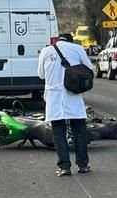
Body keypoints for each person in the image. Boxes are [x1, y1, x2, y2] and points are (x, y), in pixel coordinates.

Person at [38, 33, 94, 176]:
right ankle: (83, 165)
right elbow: (89, 68)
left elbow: (41, 75)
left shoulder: (46, 51)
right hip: (73, 95)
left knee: (59, 133)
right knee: (79, 132)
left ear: (58, 40)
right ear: (71, 40)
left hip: (54, 97)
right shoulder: (77, 49)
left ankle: (64, 167)